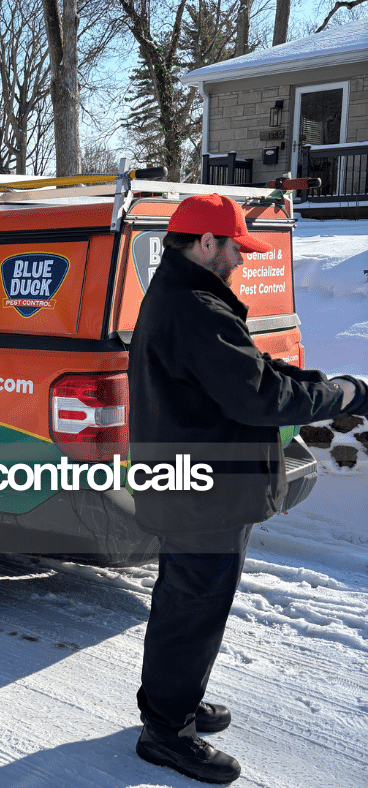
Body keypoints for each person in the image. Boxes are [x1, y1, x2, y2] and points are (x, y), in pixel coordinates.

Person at [128, 193, 368, 784]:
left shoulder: (181, 296)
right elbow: (260, 400)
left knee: (187, 603)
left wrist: (311, 382)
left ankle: (172, 702)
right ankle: (165, 731)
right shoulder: (196, 308)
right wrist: (343, 393)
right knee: (193, 609)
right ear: (206, 243)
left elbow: (244, 372)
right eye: (236, 247)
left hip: (192, 483)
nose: (241, 258)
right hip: (202, 491)